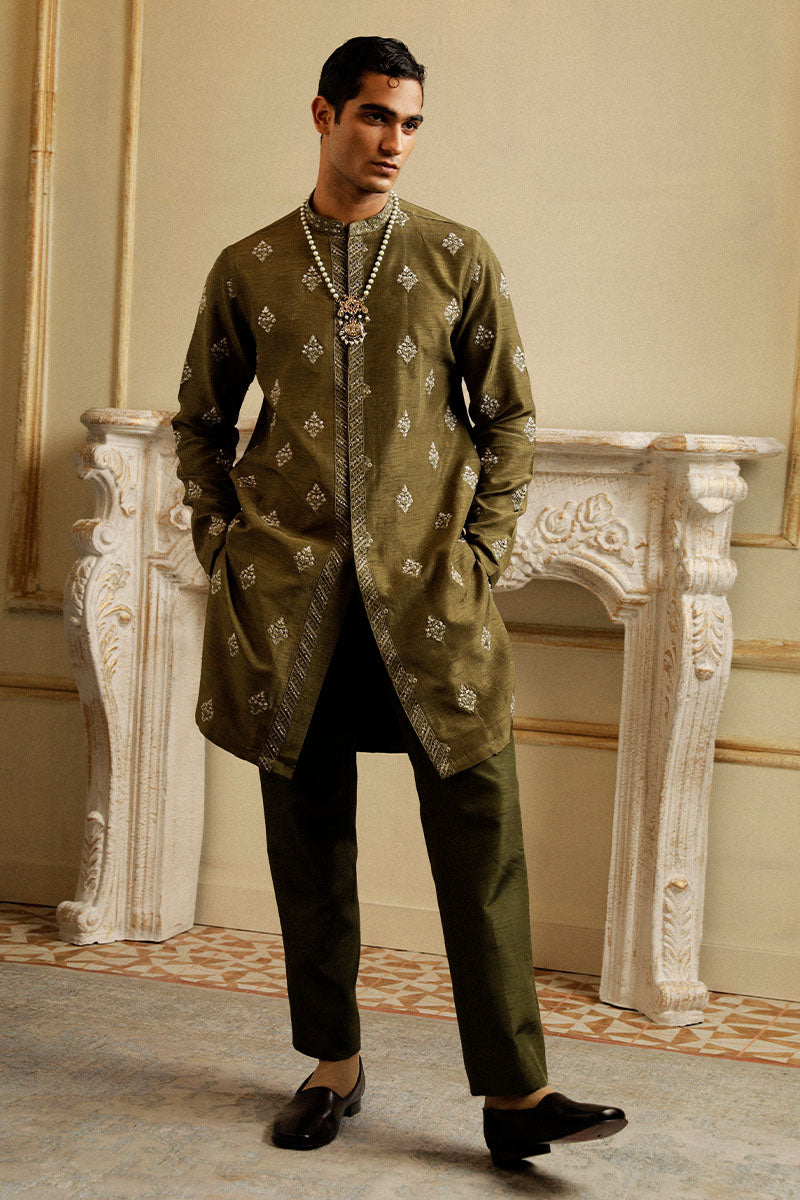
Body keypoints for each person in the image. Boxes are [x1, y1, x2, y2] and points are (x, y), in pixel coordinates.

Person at [171, 35, 627, 1168]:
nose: (393, 142)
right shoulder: (248, 266)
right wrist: (225, 544)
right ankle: (332, 1064)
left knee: (480, 828)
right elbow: (201, 423)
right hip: (291, 602)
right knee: (308, 836)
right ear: (324, 114)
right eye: (375, 116)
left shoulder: (455, 255)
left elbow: (509, 416)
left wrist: (481, 549)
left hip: (431, 596)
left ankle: (516, 1095)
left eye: (411, 123)